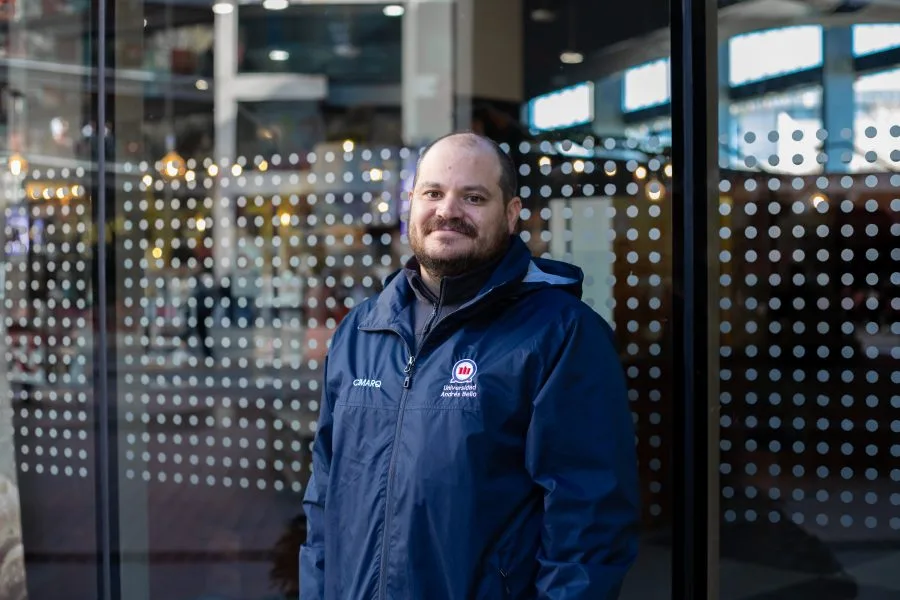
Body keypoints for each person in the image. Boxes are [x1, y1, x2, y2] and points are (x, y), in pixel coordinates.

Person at [300, 132, 640, 599]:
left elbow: (589, 524)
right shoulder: (362, 330)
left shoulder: (561, 334)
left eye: (473, 197)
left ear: (511, 213)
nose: (448, 211)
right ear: (411, 204)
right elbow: (324, 496)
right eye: (433, 193)